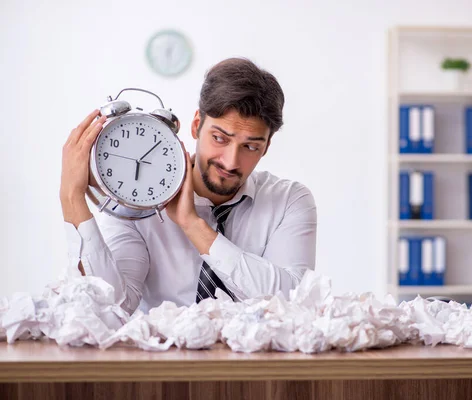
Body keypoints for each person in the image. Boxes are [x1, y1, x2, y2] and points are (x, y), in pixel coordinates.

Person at [60, 58, 317, 314]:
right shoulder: (136, 203)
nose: (231, 161)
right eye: (219, 138)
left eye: (251, 147)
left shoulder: (289, 201)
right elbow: (111, 306)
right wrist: (72, 198)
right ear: (196, 126)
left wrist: (193, 225)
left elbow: (295, 302)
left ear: (266, 147)